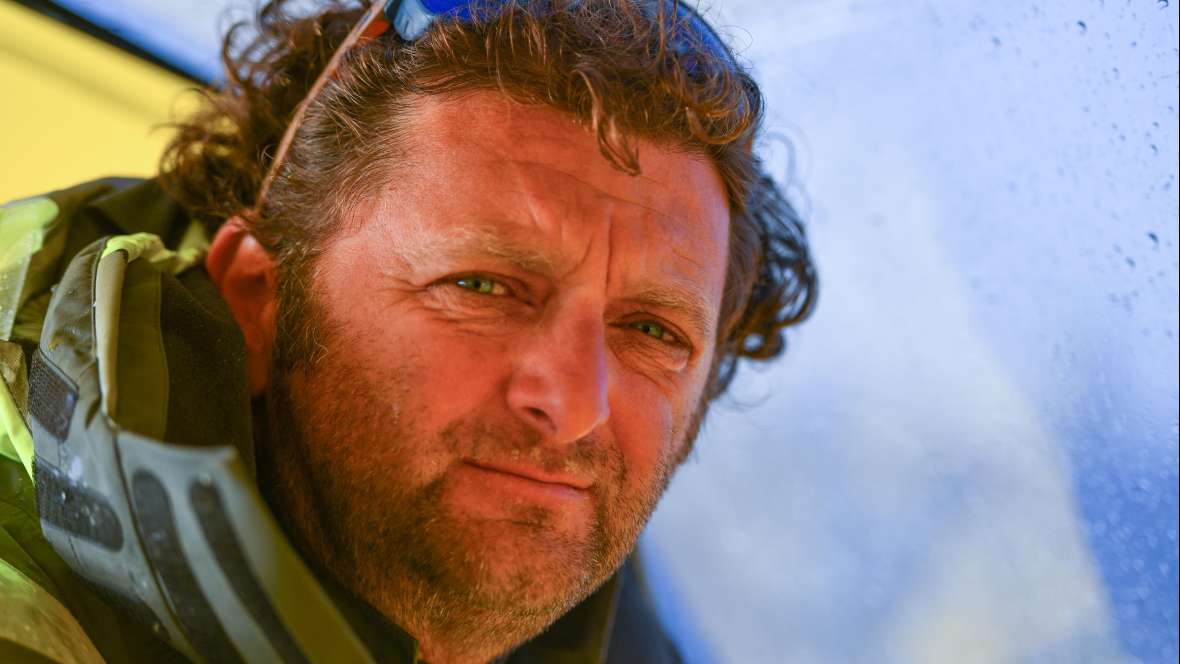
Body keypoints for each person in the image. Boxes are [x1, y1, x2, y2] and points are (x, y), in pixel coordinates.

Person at [0, 0, 816, 662]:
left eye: (652, 330)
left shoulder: (575, 588)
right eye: (481, 285)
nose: (573, 405)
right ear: (256, 297)